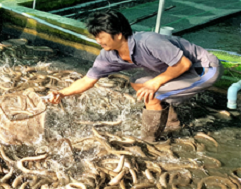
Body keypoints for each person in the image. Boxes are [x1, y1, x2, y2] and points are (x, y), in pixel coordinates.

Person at [48, 10, 222, 142]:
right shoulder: (109, 55)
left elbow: (184, 64)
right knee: (137, 81)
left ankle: (148, 142)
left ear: (118, 34)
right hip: (177, 69)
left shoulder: (148, 41)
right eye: (96, 37)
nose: (98, 41)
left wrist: (155, 83)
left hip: (204, 68)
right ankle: (170, 122)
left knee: (153, 93)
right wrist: (62, 93)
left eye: (101, 36)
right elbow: (87, 80)